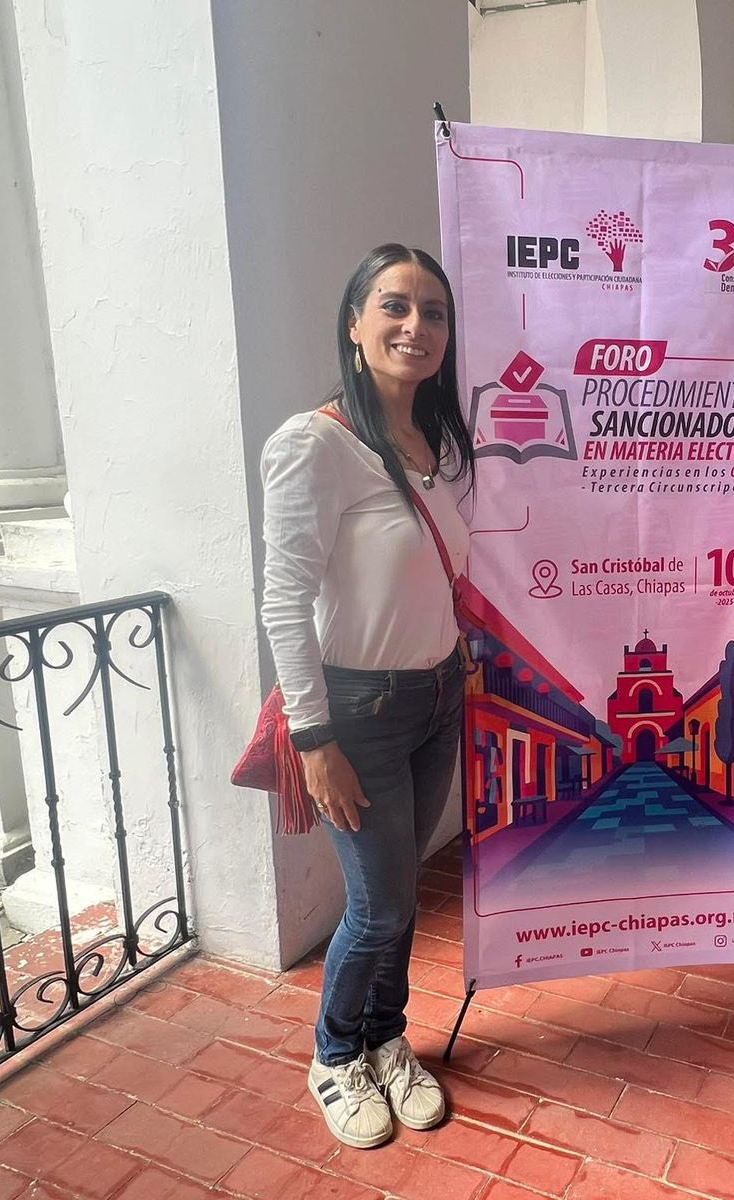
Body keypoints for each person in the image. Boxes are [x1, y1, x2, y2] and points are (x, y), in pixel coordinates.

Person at [260, 244, 474, 1148]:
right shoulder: (314, 443)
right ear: (354, 324)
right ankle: (333, 1054)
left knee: (403, 890)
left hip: (438, 697)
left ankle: (387, 1038)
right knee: (380, 904)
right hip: (358, 715)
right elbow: (283, 599)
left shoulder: (441, 440)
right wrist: (314, 740)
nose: (415, 326)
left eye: (433, 311)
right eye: (394, 306)